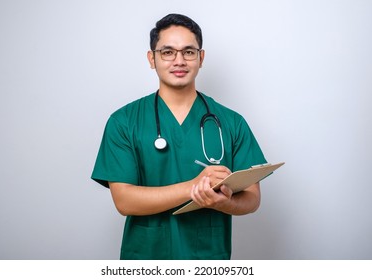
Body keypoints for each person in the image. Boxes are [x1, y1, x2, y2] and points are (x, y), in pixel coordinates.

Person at [91, 13, 266, 260]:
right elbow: (124, 201)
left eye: (189, 52)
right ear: (152, 58)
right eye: (167, 52)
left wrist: (221, 202)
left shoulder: (231, 122)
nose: (179, 60)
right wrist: (194, 186)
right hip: (146, 259)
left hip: (208, 258)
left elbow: (252, 199)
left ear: (201, 58)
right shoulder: (124, 122)